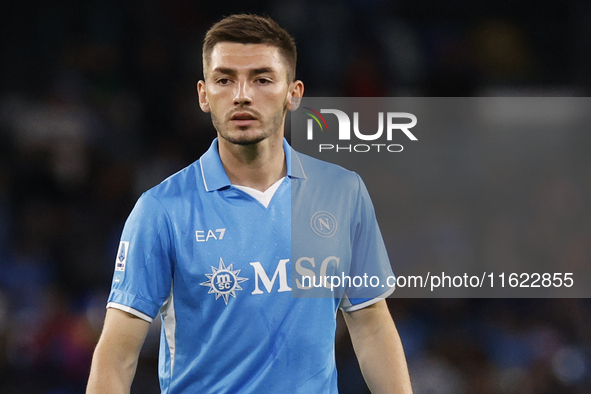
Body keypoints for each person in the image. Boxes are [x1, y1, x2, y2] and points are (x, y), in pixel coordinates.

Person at [86, 14, 413, 394]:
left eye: (262, 79)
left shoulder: (343, 192)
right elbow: (117, 356)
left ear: (294, 93)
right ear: (203, 95)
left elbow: (371, 322)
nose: (242, 94)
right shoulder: (161, 210)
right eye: (224, 79)